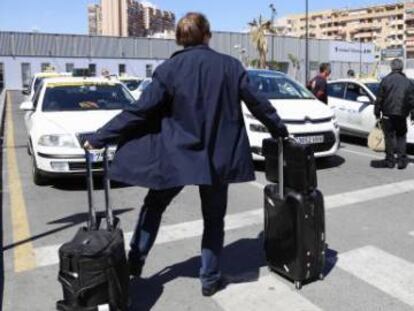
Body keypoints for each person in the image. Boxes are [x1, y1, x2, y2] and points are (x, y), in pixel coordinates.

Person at [84, 12, 288, 296]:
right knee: (214, 219)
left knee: (154, 206)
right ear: (207, 35)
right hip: (216, 159)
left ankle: (135, 262)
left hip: (175, 157)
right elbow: (258, 103)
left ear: (180, 39)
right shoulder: (230, 67)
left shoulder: (169, 70)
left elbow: (140, 110)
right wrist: (280, 131)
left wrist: (100, 138)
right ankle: (209, 279)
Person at [374, 58, 414, 169]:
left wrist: (377, 113)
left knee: (389, 137)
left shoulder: (386, 80)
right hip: (401, 114)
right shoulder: (408, 82)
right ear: (401, 68)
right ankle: (401, 161)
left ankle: (390, 161)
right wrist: (412, 114)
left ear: (392, 67)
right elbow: (412, 100)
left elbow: (379, 98)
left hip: (387, 114)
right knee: (401, 137)